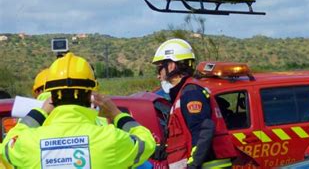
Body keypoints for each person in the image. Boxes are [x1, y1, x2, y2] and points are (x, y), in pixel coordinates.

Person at [1, 52, 156, 168]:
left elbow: (8, 145)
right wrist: (117, 114)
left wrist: (39, 113)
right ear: (90, 94)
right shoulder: (111, 139)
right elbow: (147, 142)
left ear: (52, 96)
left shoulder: (28, 143)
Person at [153, 38, 237, 168]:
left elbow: (203, 130)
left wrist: (193, 165)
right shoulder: (183, 94)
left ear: (171, 66)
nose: (158, 76)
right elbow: (184, 138)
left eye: (159, 69)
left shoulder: (191, 93)